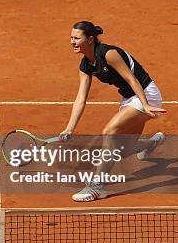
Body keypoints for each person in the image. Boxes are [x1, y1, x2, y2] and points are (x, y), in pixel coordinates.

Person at [60, 21, 166, 202]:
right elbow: (81, 98)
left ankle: (97, 186)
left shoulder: (109, 54)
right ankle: (152, 144)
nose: (72, 41)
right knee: (123, 150)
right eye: (71, 37)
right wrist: (70, 128)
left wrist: (146, 104)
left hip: (146, 94)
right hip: (129, 99)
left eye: (77, 38)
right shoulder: (86, 65)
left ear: (90, 39)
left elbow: (132, 79)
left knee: (109, 131)